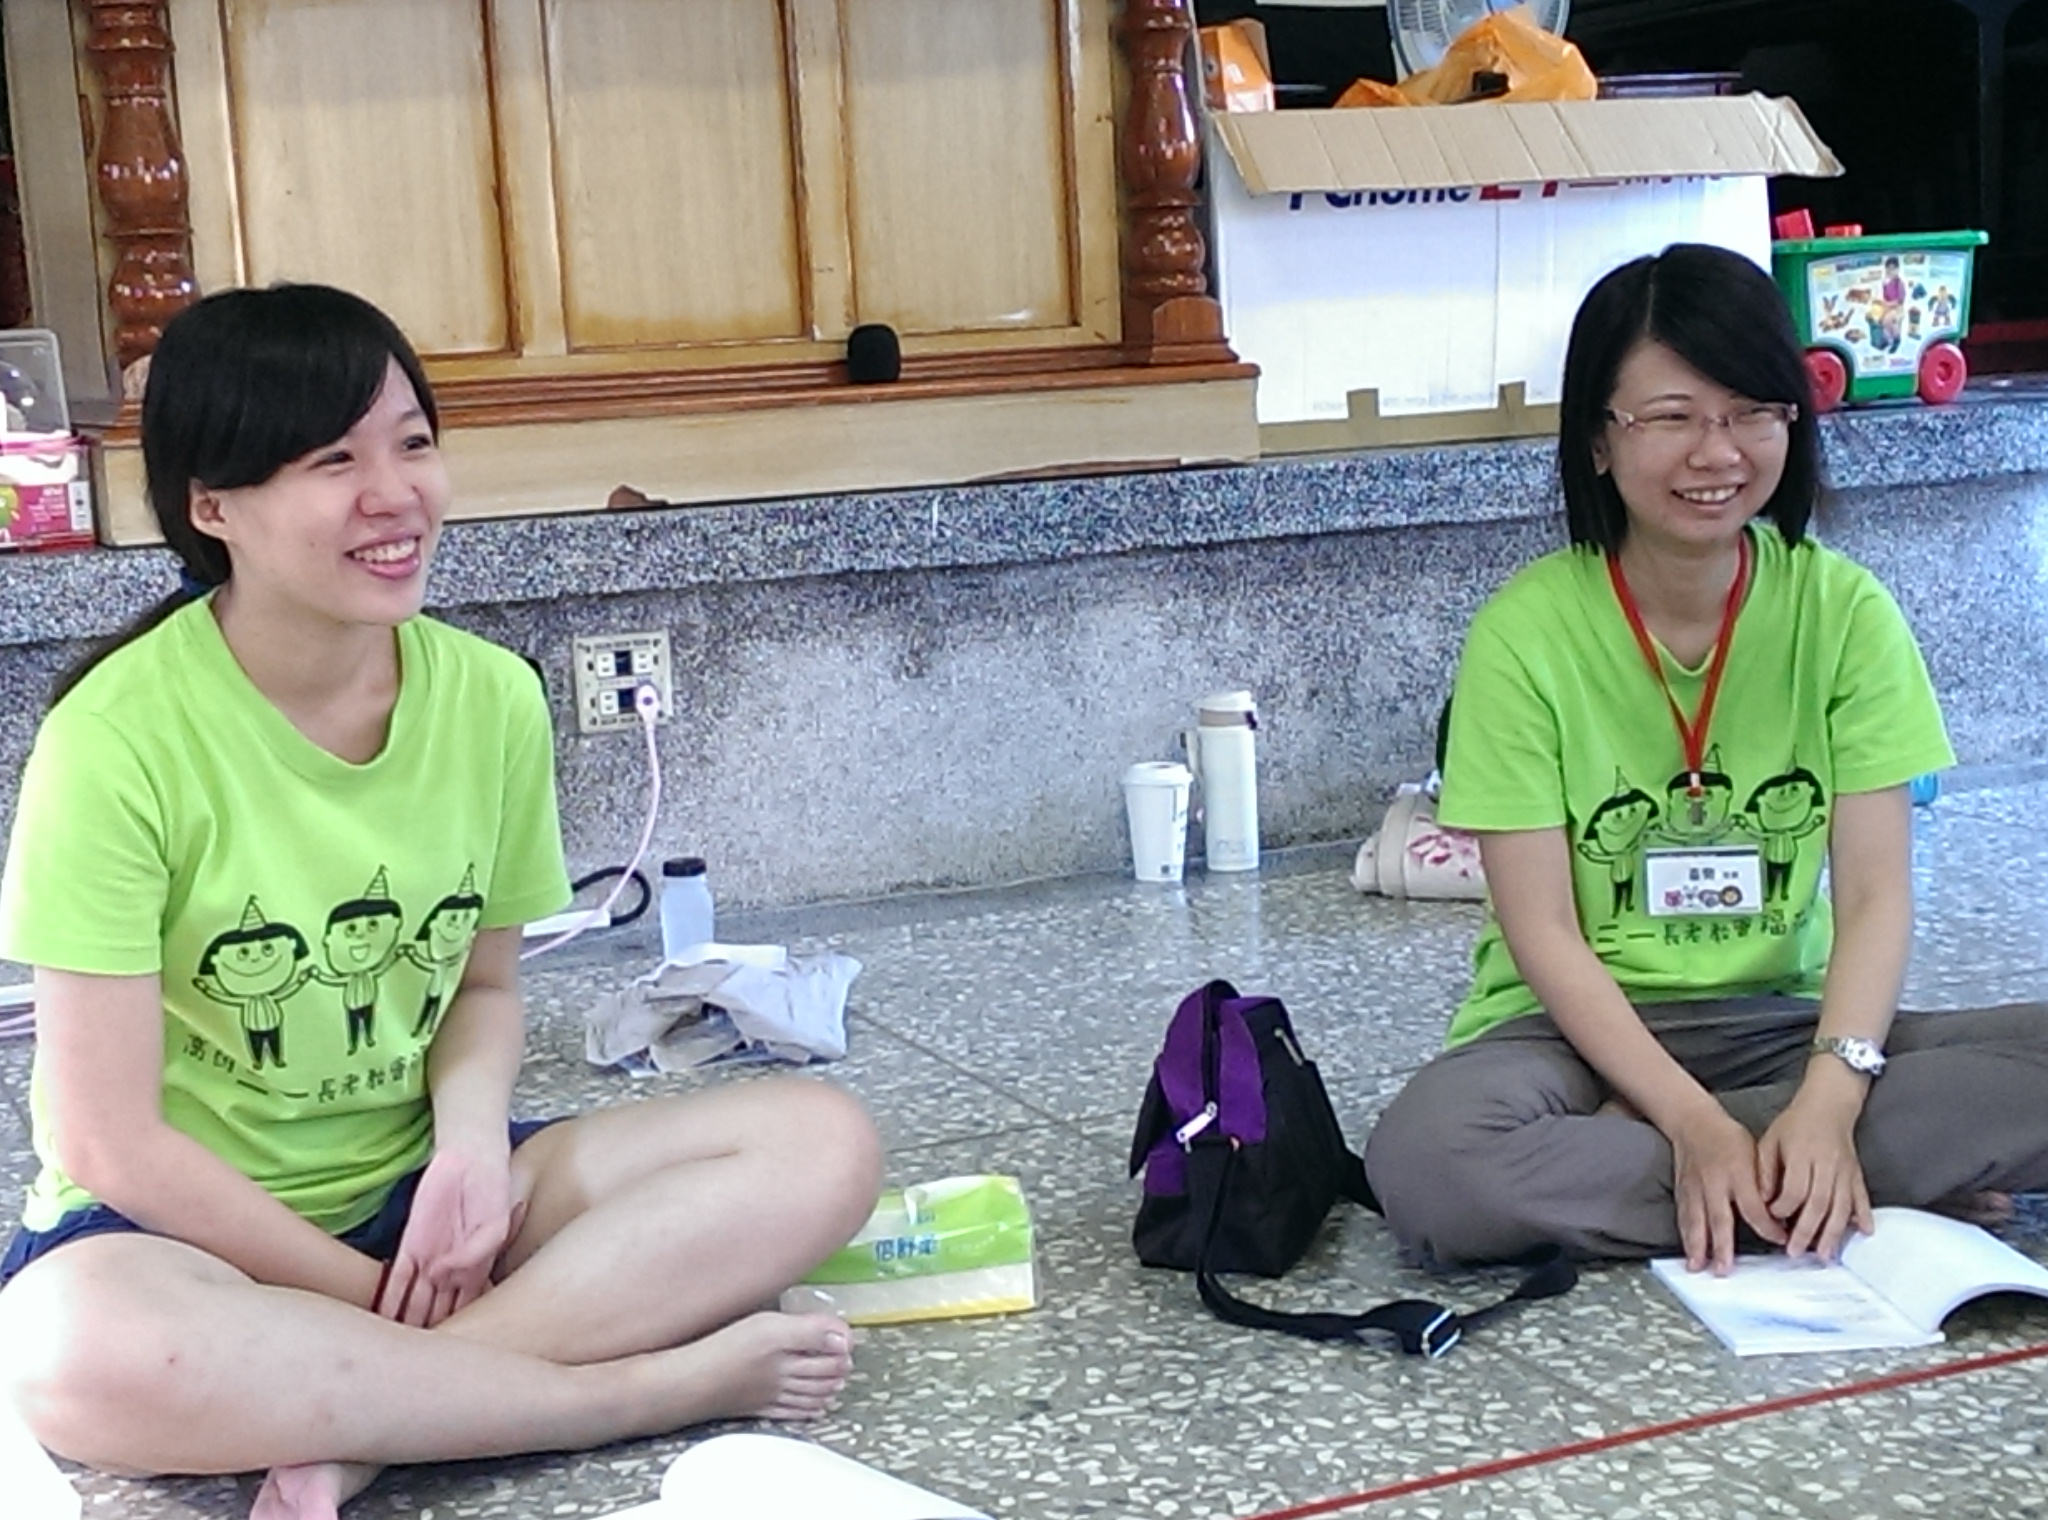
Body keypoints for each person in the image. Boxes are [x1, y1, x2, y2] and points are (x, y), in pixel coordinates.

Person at [0, 285, 884, 1520]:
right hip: (174, 1237)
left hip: (433, 1201)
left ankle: (376, 1421)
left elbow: (483, 985)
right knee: (68, 1355)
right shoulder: (112, 741)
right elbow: (110, 1142)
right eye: (333, 461)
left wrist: (467, 1151)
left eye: (413, 443)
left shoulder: (489, 696)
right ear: (212, 505)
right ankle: (632, 1390)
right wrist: (362, 1298)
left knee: (821, 1144)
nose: (395, 494)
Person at [1362, 244, 2048, 1277]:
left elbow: (1874, 897)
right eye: (1672, 416)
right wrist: (1686, 1118)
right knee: (1430, 1167)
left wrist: (1830, 1095)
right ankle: (1833, 1178)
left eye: (1749, 412)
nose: (1715, 452)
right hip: (1566, 1041)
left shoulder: (1844, 612)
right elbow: (1542, 932)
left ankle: (1785, 1159)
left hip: (1788, 1025)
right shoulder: (1523, 634)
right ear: (1599, 439)